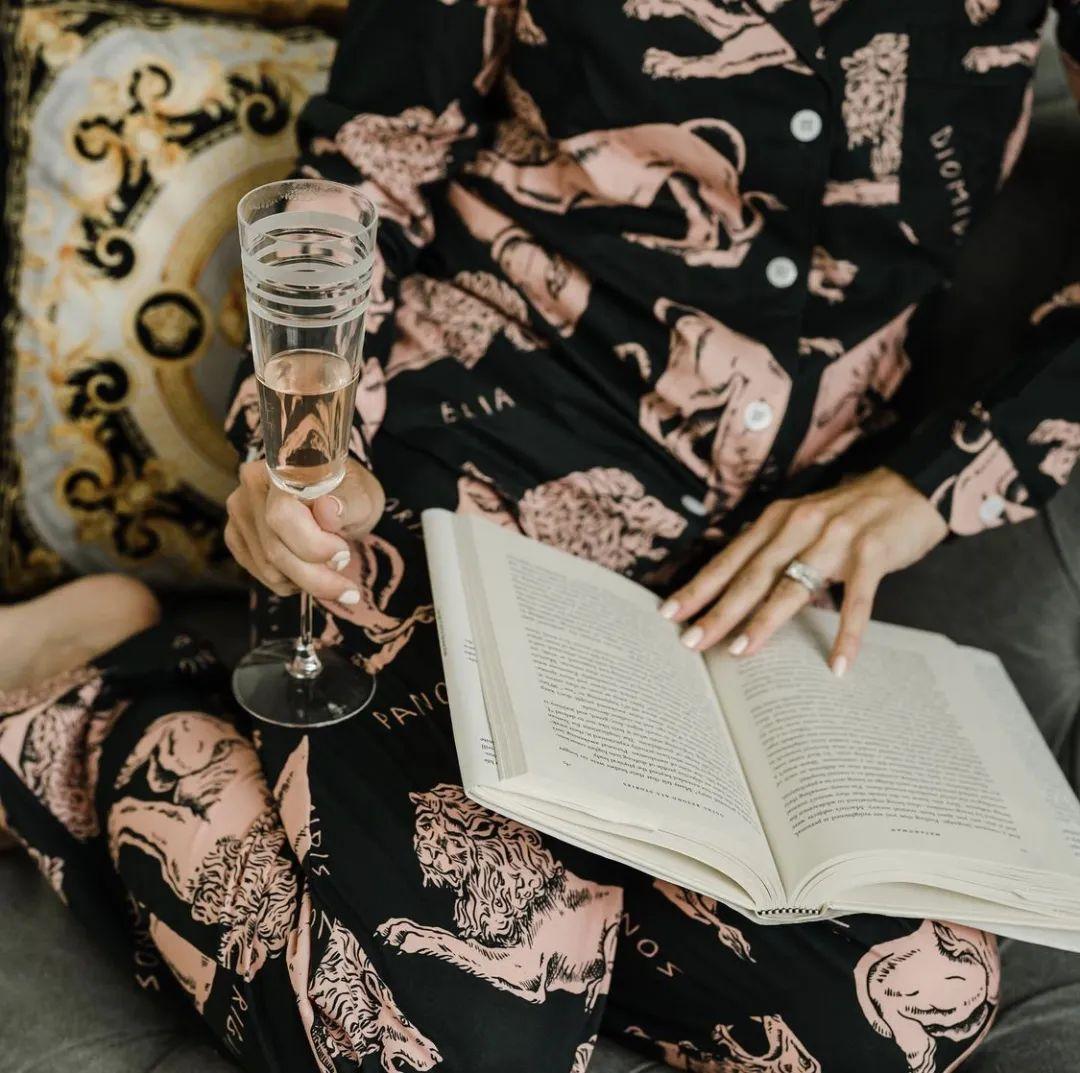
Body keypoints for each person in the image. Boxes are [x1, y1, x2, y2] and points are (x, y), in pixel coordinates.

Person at [2, 2, 1079, 1071]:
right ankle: (99, 708)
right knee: (454, 1044)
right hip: (469, 501)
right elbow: (371, 167)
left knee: (899, 1012)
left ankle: (522, 896)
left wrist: (924, 487)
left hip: (755, 588)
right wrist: (306, 456)